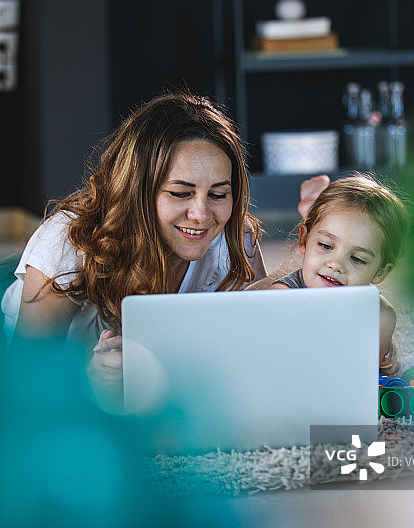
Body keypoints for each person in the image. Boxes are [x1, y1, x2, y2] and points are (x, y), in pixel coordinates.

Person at [1, 91, 269, 384]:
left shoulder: (234, 235)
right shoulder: (67, 243)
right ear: (136, 193)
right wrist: (90, 382)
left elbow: (262, 336)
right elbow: (27, 381)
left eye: (218, 194)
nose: (201, 214)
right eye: (180, 193)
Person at [250, 173, 410, 374]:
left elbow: (363, 381)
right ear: (303, 241)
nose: (336, 264)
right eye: (326, 246)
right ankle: (311, 207)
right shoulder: (280, 298)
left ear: (381, 272)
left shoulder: (380, 316)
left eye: (357, 259)